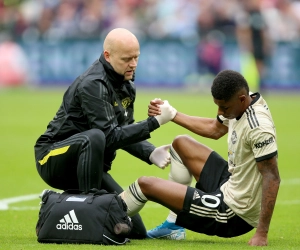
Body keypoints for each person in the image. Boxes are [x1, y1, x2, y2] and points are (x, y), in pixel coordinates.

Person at [34, 28, 176, 239]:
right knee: (96, 136)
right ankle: (87, 206)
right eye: (127, 59)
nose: (134, 64)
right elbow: (110, 136)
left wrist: (150, 152)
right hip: (52, 157)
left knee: (135, 229)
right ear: (107, 56)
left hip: (88, 166)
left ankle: (65, 202)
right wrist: (154, 122)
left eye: (137, 57)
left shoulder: (126, 84)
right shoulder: (93, 83)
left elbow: (123, 129)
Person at [119, 69, 280, 246]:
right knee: (181, 144)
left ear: (241, 99)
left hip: (235, 212)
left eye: (224, 107)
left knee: (146, 185)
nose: (220, 112)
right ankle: (173, 226)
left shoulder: (258, 128)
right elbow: (215, 128)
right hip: (231, 183)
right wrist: (172, 114)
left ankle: (102, 220)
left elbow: (272, 177)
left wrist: (262, 233)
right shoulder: (244, 100)